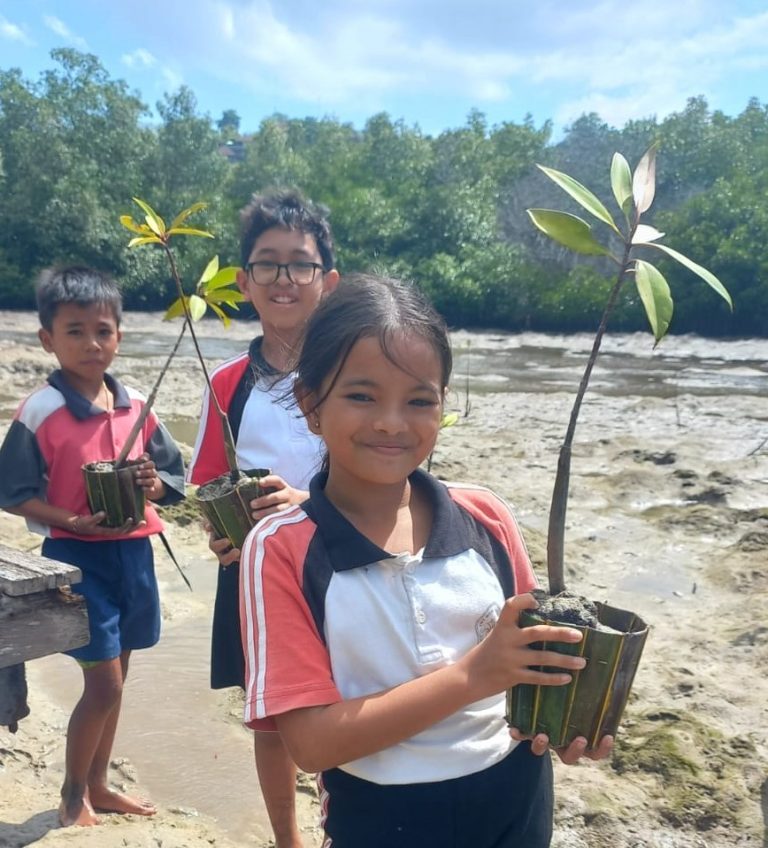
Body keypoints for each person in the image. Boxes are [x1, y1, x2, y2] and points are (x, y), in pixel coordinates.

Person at [239, 274, 613, 848]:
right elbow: (310, 743)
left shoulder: (485, 516)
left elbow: (527, 660)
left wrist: (566, 723)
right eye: (362, 395)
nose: (392, 421)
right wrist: (473, 675)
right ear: (311, 404)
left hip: (515, 793)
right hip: (380, 814)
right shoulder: (280, 548)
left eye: (419, 400)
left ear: (443, 407)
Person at [0, 266, 185, 828]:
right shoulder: (40, 411)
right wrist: (72, 521)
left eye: (102, 331)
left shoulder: (137, 407)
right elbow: (13, 492)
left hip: (134, 554)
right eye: (75, 331)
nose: (91, 343)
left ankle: (100, 785)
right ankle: (72, 794)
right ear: (48, 340)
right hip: (76, 562)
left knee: (118, 678)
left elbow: (173, 478)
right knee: (103, 684)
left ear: (119, 337)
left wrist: (154, 484)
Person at [187, 189, 339, 848]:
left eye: (300, 264)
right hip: (253, 578)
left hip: (340, 567)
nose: (284, 279)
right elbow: (205, 486)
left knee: (345, 709)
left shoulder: (353, 371)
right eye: (268, 264)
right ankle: (288, 839)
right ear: (243, 281)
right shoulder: (226, 383)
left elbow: (390, 476)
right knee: (271, 720)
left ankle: (344, 826)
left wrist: (311, 506)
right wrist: (218, 532)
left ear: (327, 281)